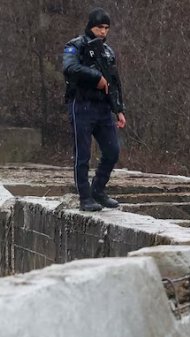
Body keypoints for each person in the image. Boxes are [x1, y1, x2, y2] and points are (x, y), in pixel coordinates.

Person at [63, 8, 126, 212]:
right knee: (82, 154)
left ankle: (98, 189)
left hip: (102, 107)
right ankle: (85, 197)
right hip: (81, 104)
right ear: (91, 26)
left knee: (112, 151)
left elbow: (114, 82)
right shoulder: (76, 45)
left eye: (107, 28)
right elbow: (70, 68)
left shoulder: (107, 52)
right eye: (100, 27)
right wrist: (95, 77)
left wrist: (119, 110)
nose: (103, 32)